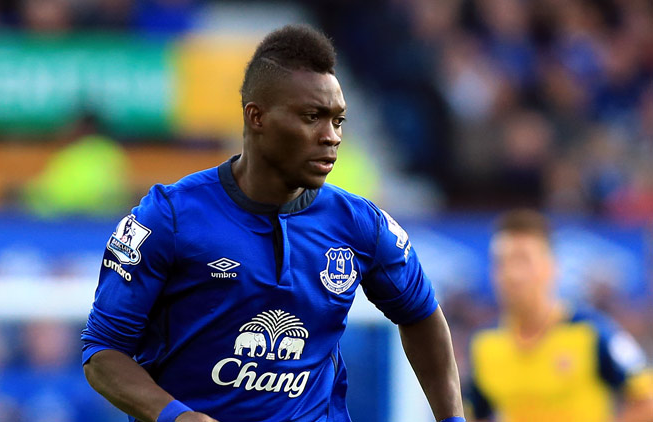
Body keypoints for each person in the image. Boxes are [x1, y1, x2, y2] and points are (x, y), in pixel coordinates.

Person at [81, 25, 465, 422]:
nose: (331, 136)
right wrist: (176, 416)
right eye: (312, 117)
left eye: (338, 120)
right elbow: (102, 353)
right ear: (257, 117)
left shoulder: (360, 224)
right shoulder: (169, 217)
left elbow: (422, 315)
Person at [466, 209, 653, 422]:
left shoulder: (592, 332)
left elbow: (647, 401)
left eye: (523, 260)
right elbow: (474, 413)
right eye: (501, 262)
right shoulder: (484, 343)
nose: (512, 274)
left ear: (551, 266)